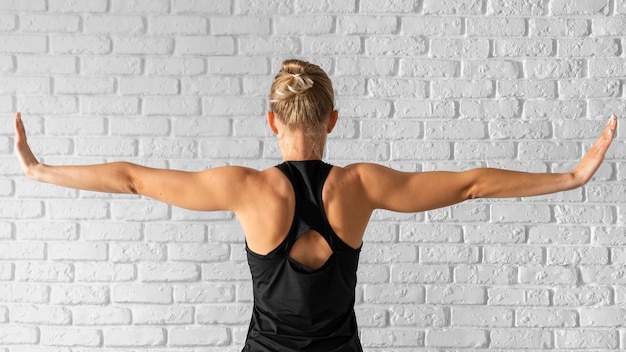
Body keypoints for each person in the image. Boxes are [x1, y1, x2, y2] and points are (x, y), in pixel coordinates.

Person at [14, 59, 617, 352]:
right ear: (332, 120)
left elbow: (130, 179)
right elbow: (470, 184)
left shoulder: (246, 188)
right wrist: (569, 175)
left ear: (272, 121)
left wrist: (39, 169)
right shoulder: (360, 185)